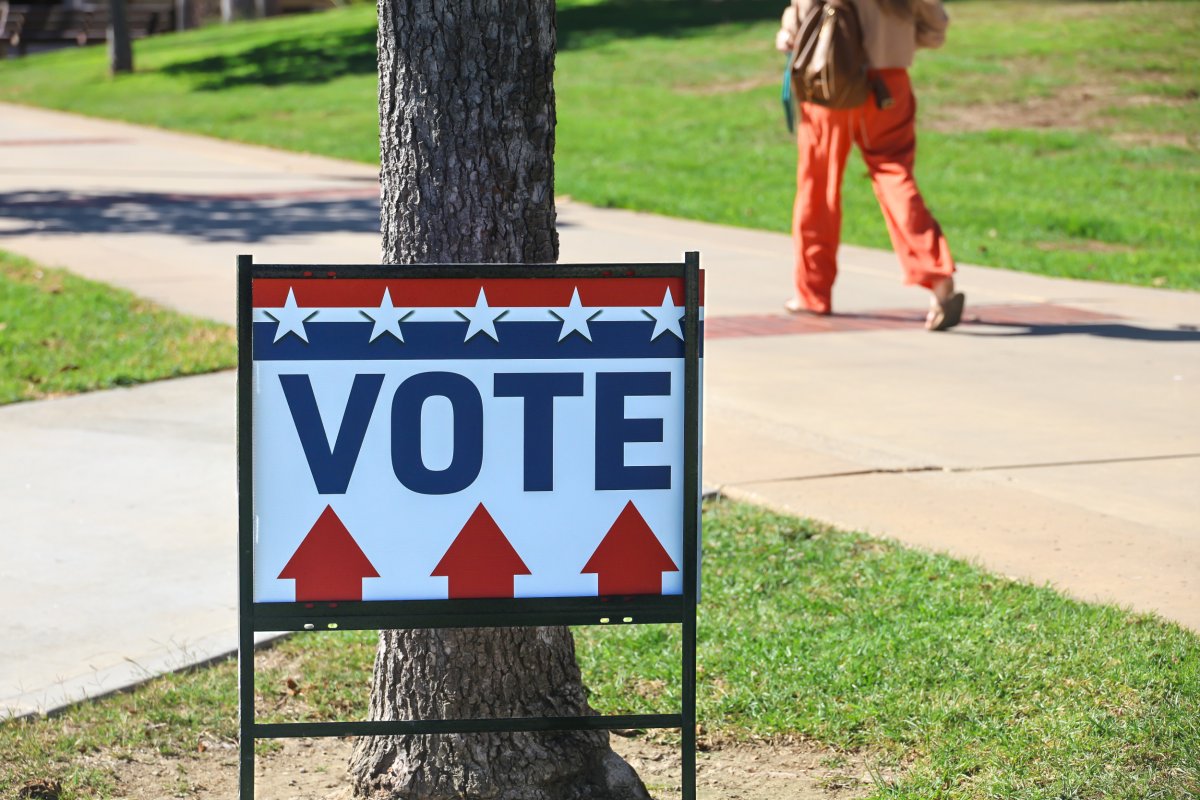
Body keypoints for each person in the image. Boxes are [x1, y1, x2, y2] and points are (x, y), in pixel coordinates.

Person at [776, 0, 964, 331]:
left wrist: (788, 32)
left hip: (829, 81)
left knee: (817, 187)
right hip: (888, 82)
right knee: (893, 173)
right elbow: (934, 27)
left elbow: (798, 22)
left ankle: (812, 293)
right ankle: (937, 275)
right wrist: (897, 38)